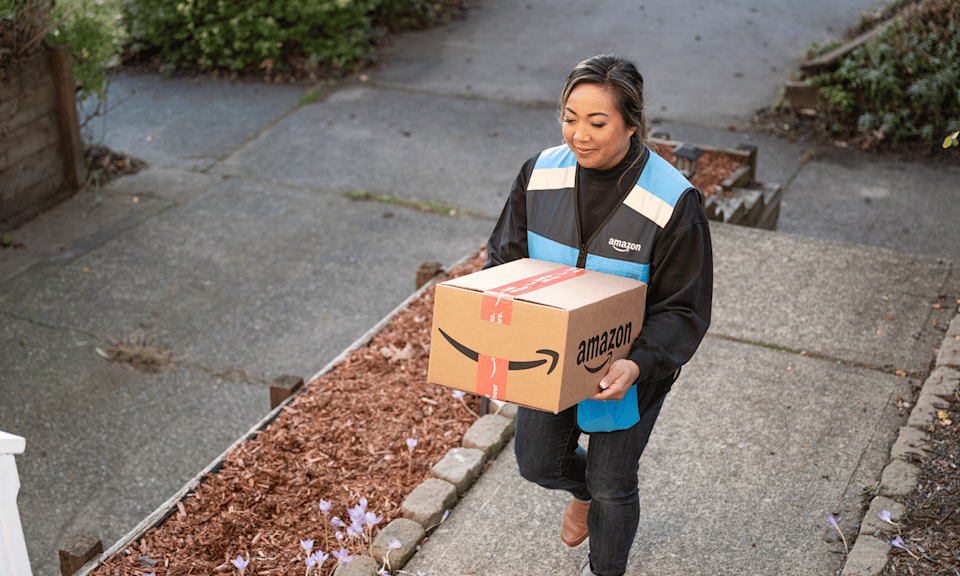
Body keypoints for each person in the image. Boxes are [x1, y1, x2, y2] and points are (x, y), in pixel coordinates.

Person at [484, 54, 713, 576]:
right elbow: (504, 258)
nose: (578, 135)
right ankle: (580, 493)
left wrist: (638, 363)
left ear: (632, 124)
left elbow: (684, 307)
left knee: (613, 482)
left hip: (633, 365)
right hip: (551, 352)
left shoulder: (671, 200)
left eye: (597, 122)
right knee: (538, 463)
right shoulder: (539, 174)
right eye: (569, 117)